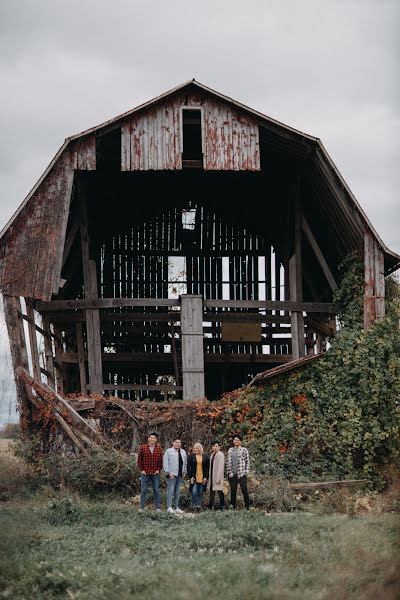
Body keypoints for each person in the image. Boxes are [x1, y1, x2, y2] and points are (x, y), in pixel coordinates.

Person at [137, 432, 163, 512]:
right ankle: (141, 507)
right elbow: (139, 460)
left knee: (156, 490)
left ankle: (158, 507)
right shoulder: (143, 447)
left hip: (155, 474)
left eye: (154, 438)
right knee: (144, 490)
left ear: (156, 440)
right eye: (151, 438)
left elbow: (160, 461)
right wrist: (142, 470)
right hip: (145, 473)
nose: (152, 439)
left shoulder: (159, 448)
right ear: (148, 439)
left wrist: (158, 470)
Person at [163, 438, 187, 514]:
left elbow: (185, 463)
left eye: (179, 442)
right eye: (176, 442)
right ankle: (169, 507)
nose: (177, 443)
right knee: (170, 491)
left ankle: (176, 507)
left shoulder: (183, 452)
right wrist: (168, 472)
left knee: (177, 491)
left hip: (180, 474)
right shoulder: (169, 451)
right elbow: (165, 462)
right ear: (173, 443)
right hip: (171, 475)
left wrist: (184, 472)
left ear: (180, 444)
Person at [227, 435, 250, 510]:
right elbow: (228, 462)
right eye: (235, 440)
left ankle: (247, 507)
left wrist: (246, 472)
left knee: (244, 491)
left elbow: (247, 462)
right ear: (233, 441)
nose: (236, 441)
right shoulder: (230, 450)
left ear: (241, 441)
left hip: (241, 474)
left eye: (238, 440)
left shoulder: (244, 450)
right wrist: (229, 472)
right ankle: (233, 507)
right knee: (233, 492)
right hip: (232, 474)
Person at [187, 442, 209, 512]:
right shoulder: (191, 456)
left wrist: (206, 477)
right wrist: (190, 476)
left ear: (200, 448)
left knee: (200, 492)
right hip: (194, 477)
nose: (195, 449)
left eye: (197, 448)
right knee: (194, 492)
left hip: (202, 477)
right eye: (194, 448)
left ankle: (198, 506)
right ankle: (193, 506)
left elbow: (207, 468)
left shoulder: (205, 456)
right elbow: (188, 467)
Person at [207, 441, 225, 510]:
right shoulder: (212, 455)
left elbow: (220, 467)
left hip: (217, 477)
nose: (214, 448)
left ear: (219, 447)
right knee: (212, 492)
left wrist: (218, 478)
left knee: (219, 491)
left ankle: (222, 506)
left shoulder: (220, 455)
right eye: (213, 446)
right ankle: (210, 506)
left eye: (216, 446)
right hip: (212, 476)